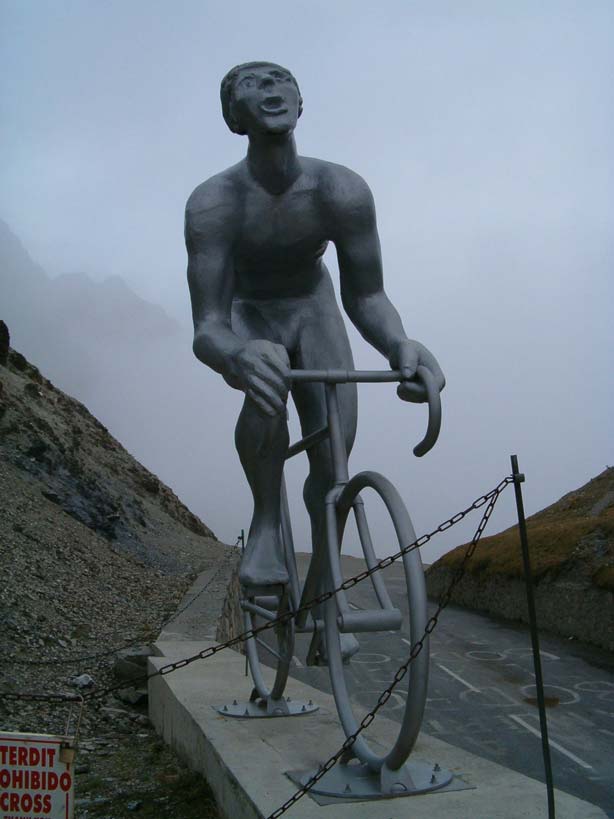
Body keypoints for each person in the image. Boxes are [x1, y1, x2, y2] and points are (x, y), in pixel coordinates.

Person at [186, 61, 445, 599]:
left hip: (313, 305)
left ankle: (325, 585)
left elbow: (367, 295)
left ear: (300, 103)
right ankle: (265, 518)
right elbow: (208, 325)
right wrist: (236, 356)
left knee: (335, 456)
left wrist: (400, 343)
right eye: (251, 83)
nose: (270, 88)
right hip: (250, 308)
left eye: (281, 79)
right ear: (234, 118)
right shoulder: (214, 203)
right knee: (265, 382)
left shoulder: (340, 189)